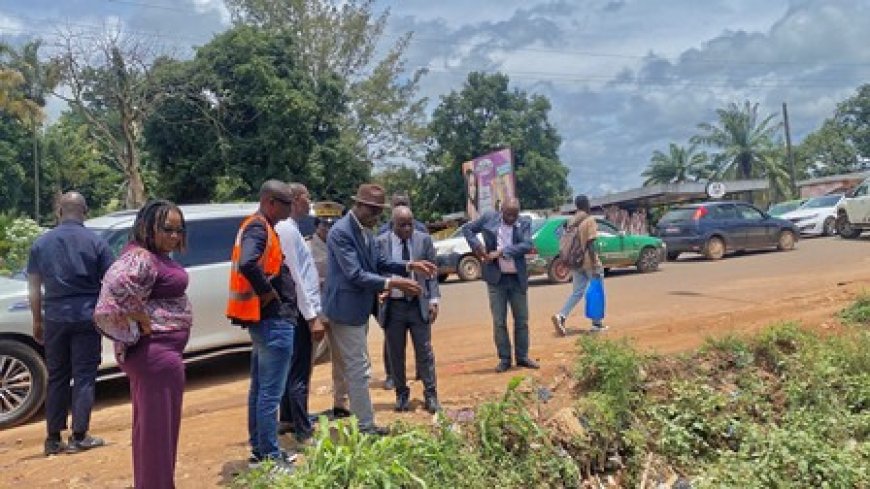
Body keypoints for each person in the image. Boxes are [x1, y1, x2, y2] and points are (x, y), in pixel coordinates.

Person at [322, 183, 436, 435]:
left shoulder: (365, 231)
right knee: (358, 368)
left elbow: (380, 261)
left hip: (359, 308)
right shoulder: (341, 233)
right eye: (373, 210)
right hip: (345, 309)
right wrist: (394, 283)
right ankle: (365, 426)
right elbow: (355, 274)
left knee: (354, 367)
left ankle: (361, 422)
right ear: (359, 205)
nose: (377, 217)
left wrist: (410, 266)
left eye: (379, 211)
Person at [94, 199, 192, 489]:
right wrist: (138, 317)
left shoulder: (153, 255)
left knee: (153, 432)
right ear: (147, 226)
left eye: (179, 230)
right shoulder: (140, 257)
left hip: (158, 355)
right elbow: (109, 298)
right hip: (155, 356)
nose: (175, 236)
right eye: (167, 229)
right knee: (157, 435)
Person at [26, 192, 113, 456]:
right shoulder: (96, 242)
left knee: (58, 376)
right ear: (85, 211)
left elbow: (34, 287)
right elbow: (111, 281)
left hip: (55, 316)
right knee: (84, 375)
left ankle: (52, 439)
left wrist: (37, 320)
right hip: (87, 315)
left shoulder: (41, 243)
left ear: (59, 211)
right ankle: (79, 436)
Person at [226, 180, 298, 473]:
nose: (290, 209)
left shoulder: (262, 227)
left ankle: (261, 450)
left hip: (266, 322)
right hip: (273, 321)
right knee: (269, 394)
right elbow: (248, 263)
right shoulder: (258, 227)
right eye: (286, 203)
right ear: (270, 202)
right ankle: (268, 457)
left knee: (260, 391)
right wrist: (268, 292)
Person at [376, 206, 441, 413]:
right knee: (396, 353)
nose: (407, 228)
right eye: (402, 225)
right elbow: (377, 271)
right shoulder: (381, 243)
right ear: (392, 224)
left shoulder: (423, 240)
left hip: (418, 304)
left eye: (410, 224)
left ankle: (431, 395)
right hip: (393, 306)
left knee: (425, 352)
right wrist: (381, 290)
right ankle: (401, 395)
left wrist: (434, 300)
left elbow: (432, 273)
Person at [461, 197, 538, 373]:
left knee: (521, 320)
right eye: (508, 214)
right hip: (496, 279)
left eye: (515, 215)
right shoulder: (489, 218)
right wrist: (477, 247)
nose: (512, 218)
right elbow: (467, 229)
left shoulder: (524, 222)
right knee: (499, 321)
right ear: (501, 210)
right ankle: (504, 359)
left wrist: (502, 252)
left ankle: (522, 357)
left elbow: (527, 244)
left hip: (517, 278)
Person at [275, 183, 326, 443]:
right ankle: (303, 431)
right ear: (296, 199)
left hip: (297, 310)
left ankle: (287, 418)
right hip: (298, 311)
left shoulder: (291, 229)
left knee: (291, 369)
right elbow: (295, 277)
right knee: (299, 372)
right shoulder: (286, 229)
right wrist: (312, 316)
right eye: (308, 198)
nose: (310, 203)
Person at [376, 192, 427, 390]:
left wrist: (432, 298)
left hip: (416, 298)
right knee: (392, 342)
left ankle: (422, 373)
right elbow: (379, 267)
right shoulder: (382, 235)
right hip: (393, 298)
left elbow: (428, 265)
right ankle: (392, 376)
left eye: (404, 204)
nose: (406, 228)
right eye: (397, 204)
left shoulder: (420, 230)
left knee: (422, 342)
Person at [308, 202, 351, 419]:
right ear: (317, 226)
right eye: (324, 224)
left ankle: (341, 404)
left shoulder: (342, 244)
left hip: (339, 309)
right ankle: (300, 409)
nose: (328, 229)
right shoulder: (307, 247)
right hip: (315, 313)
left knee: (341, 360)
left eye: (332, 224)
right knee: (307, 361)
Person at [552, 195, 607, 335]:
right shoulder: (589, 220)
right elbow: (591, 243)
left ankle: (561, 316)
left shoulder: (571, 221)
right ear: (587, 204)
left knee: (577, 292)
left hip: (575, 262)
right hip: (589, 262)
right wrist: (595, 264)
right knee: (596, 291)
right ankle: (596, 324)